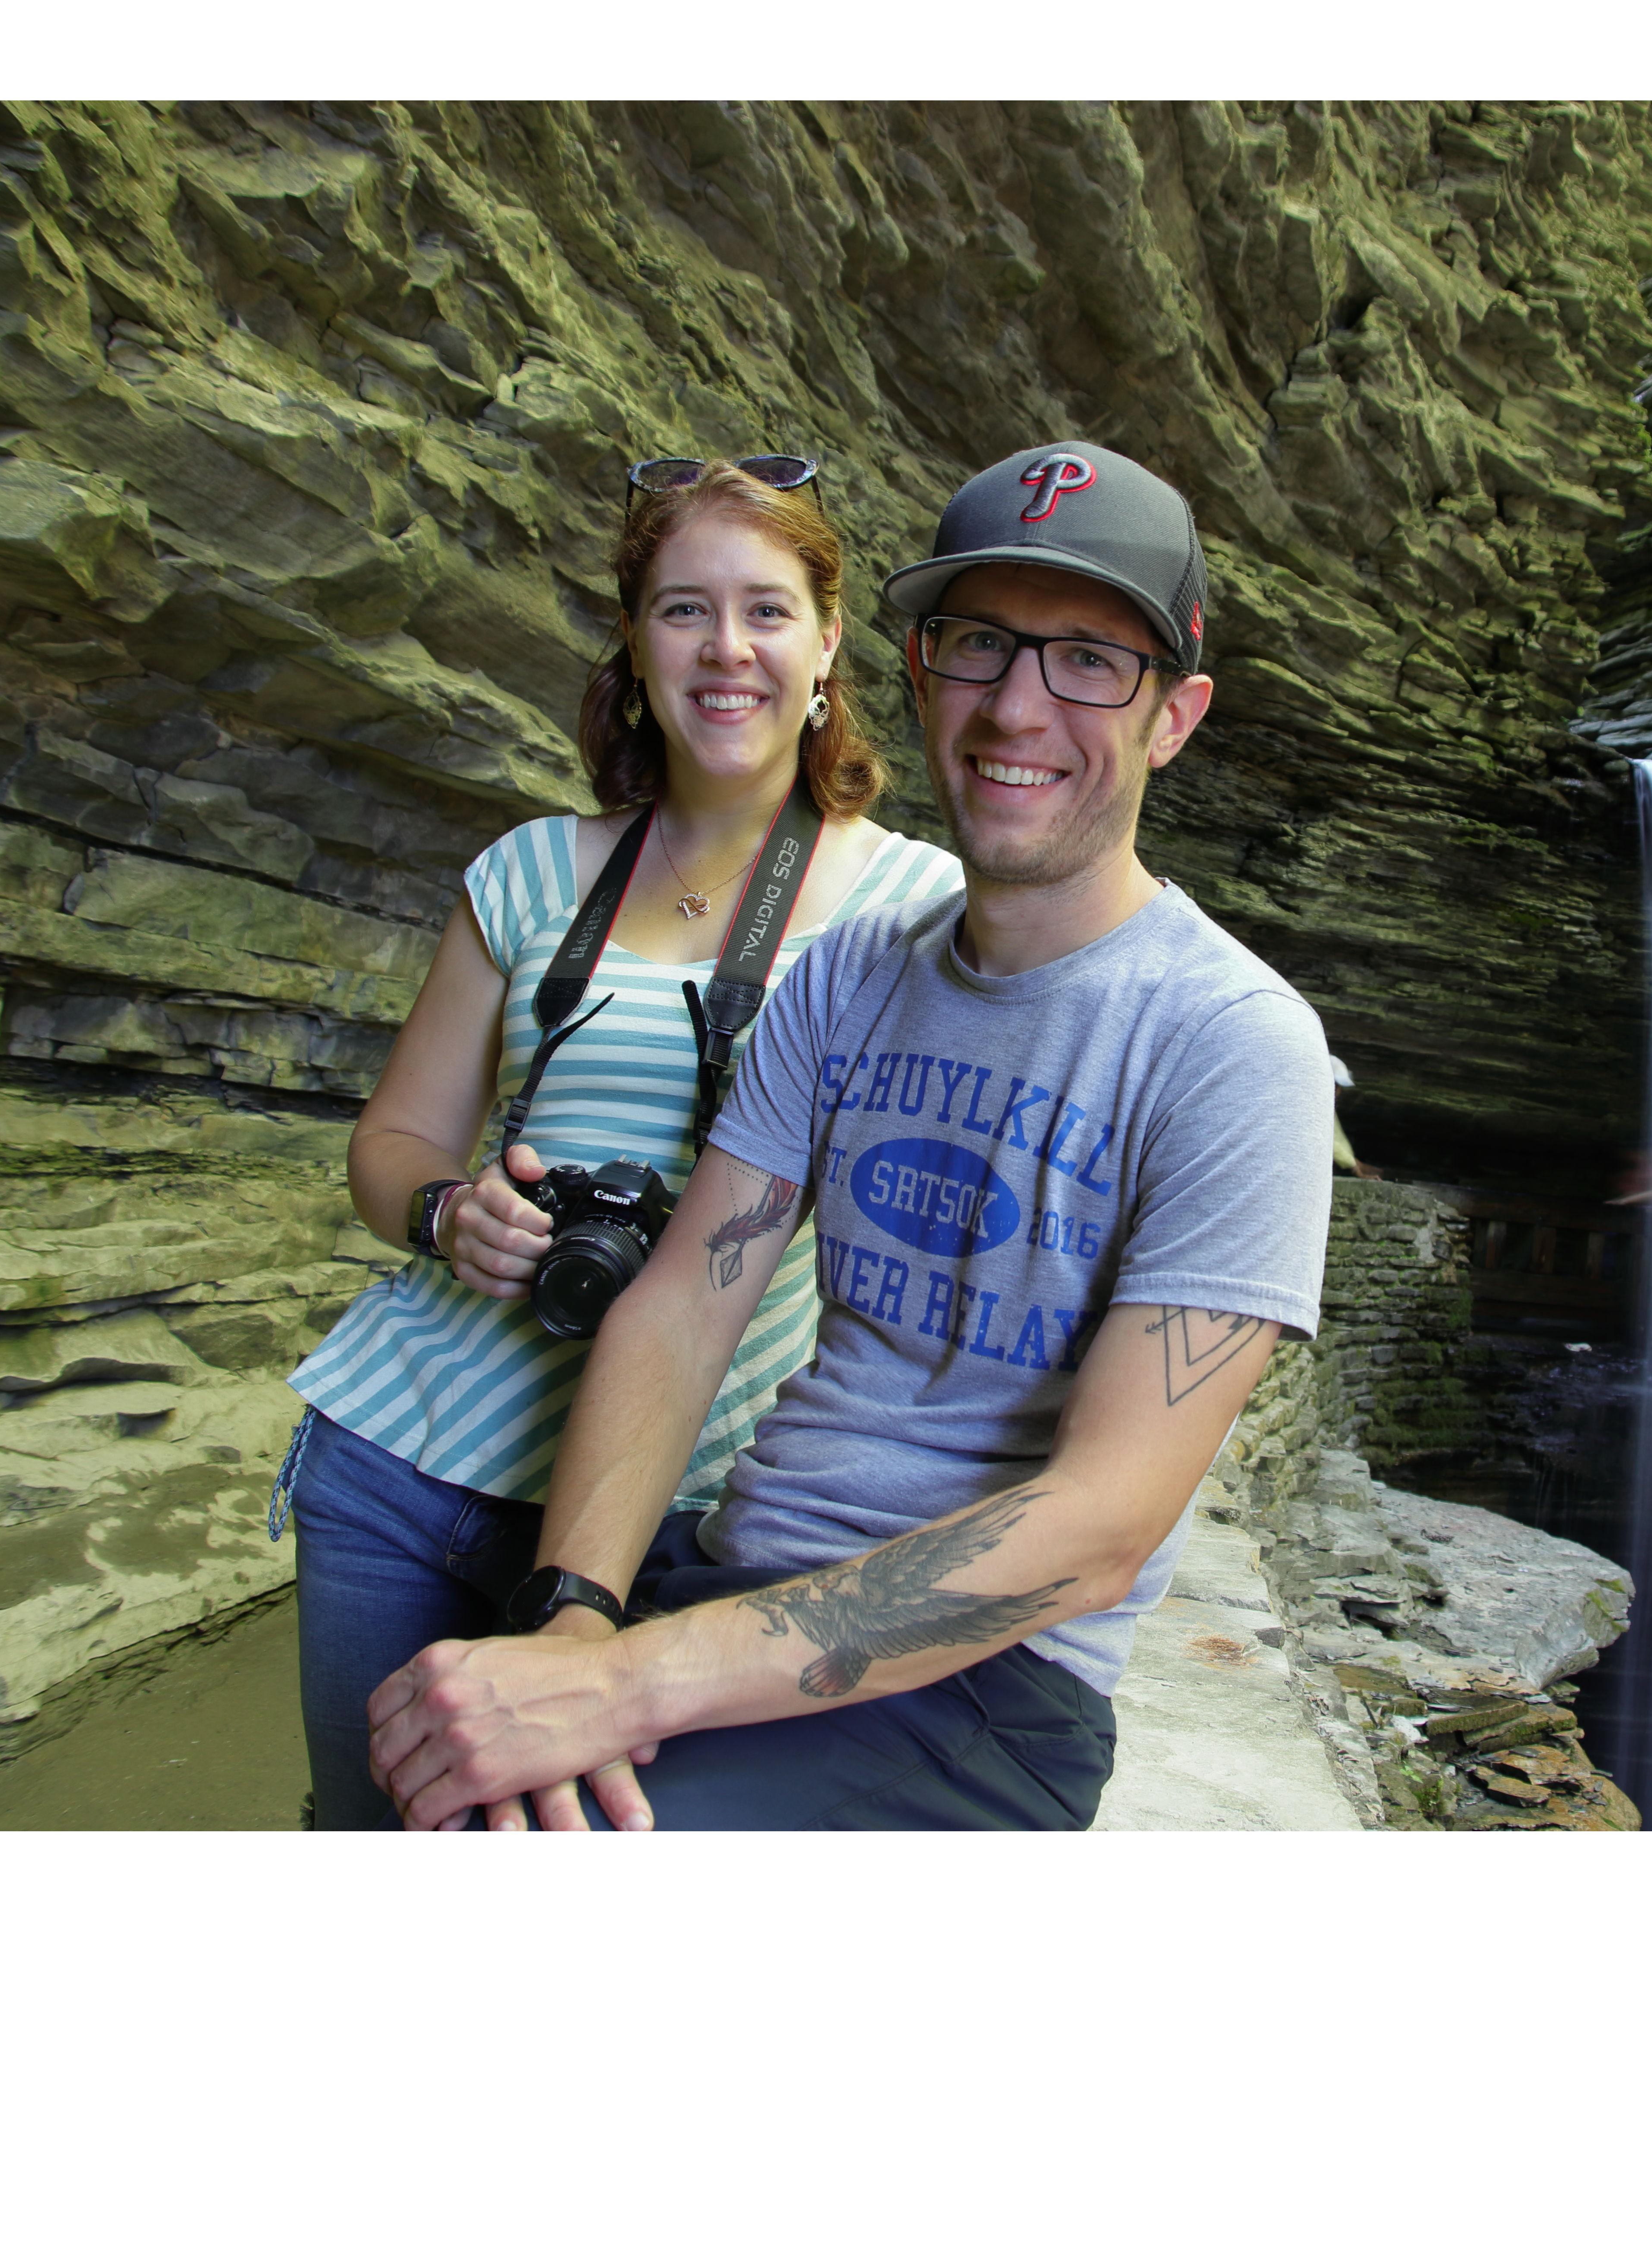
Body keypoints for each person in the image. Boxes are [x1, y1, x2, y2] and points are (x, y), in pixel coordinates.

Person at [364, 440, 1336, 1831]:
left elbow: (1099, 1528)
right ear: (923, 673)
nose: (1015, 709)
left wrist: (630, 1689)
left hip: (986, 1691)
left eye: (1089, 664)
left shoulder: (1236, 1044)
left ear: (1176, 716)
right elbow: (685, 1312)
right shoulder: (850, 974)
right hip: (727, 1581)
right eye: (979, 647)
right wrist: (576, 1616)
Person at [280, 456, 961, 1831]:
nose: (727, 651)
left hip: (696, 1504)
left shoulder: (916, 904)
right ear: (636, 643)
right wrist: (444, 1213)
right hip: (408, 1456)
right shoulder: (533, 870)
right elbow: (397, 1138)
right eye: (682, 611)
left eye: (768, 612)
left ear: (830, 643)